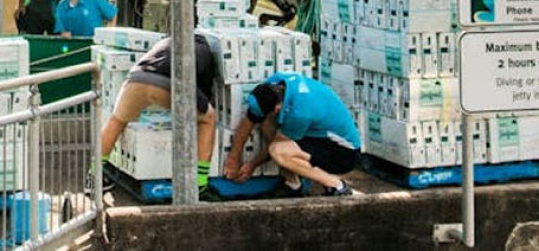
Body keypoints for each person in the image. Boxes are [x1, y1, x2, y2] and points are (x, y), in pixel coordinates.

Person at [99, 34, 218, 189]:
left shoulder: (164, 42)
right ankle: (200, 182)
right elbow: (202, 96)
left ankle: (94, 175)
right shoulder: (204, 51)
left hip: (137, 77)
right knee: (208, 118)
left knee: (117, 120)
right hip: (168, 84)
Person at [223, 72, 361, 196]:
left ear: (277, 108)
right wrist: (233, 158)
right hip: (318, 135)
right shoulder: (276, 83)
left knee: (278, 151)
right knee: (267, 123)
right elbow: (249, 120)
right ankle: (293, 185)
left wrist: (251, 166)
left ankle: (336, 185)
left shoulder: (300, 112)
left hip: (343, 153)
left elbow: (278, 144)